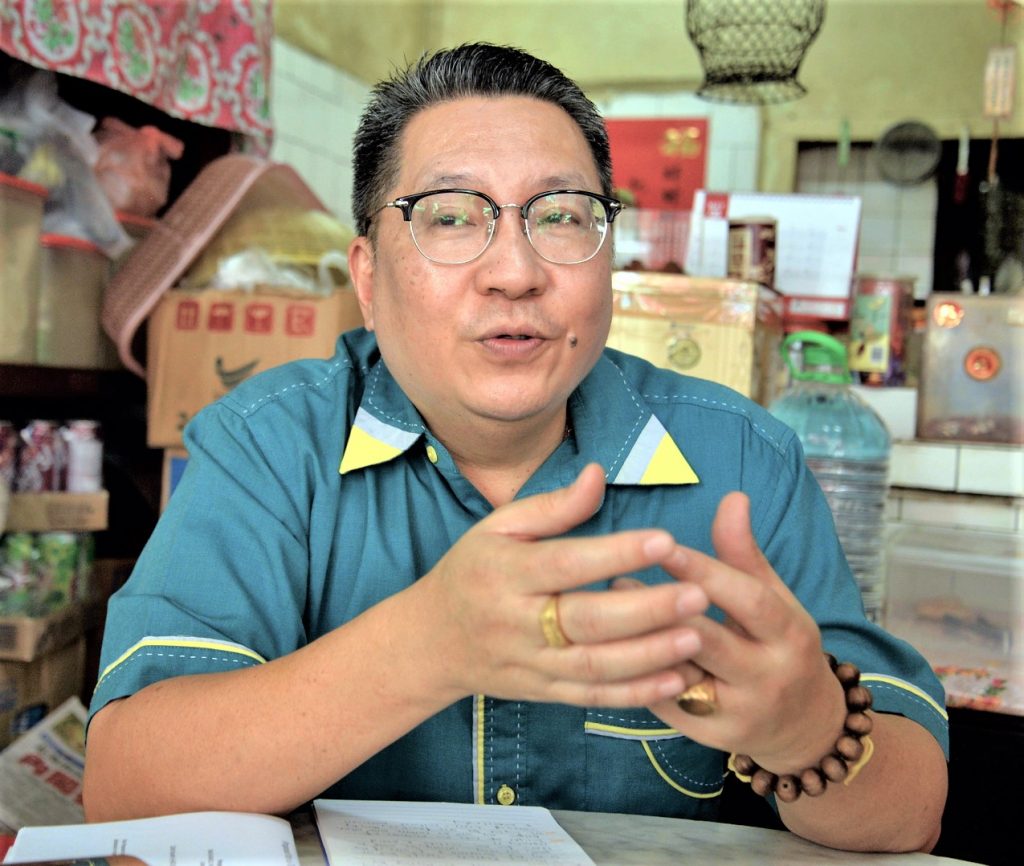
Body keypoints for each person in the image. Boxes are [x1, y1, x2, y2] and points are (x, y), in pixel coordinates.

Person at [83, 43, 948, 853]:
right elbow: (125, 786)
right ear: (369, 279)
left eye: (561, 217)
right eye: (450, 217)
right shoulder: (271, 445)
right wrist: (430, 642)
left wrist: (810, 733)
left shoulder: (743, 462)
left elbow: (911, 812)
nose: (515, 273)